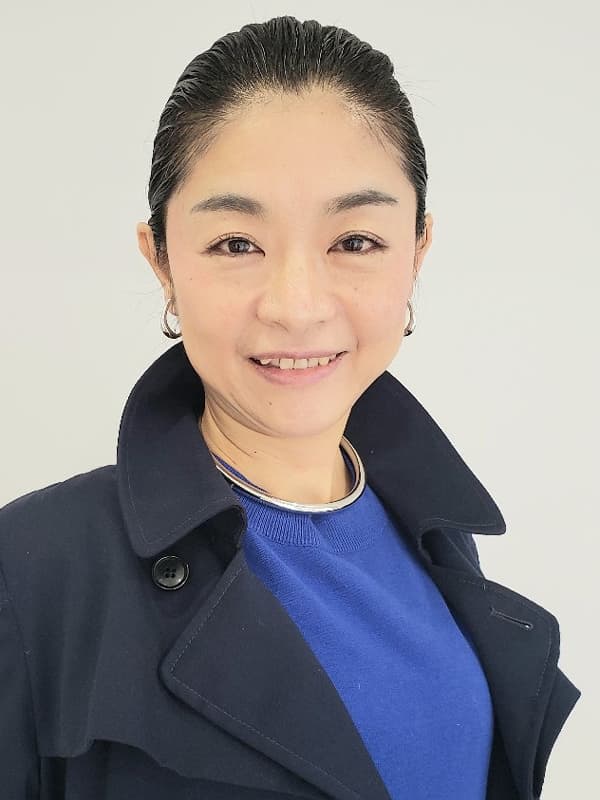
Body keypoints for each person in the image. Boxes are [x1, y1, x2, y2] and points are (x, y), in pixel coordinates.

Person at [0, 15, 581, 800]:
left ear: (417, 251)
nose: (297, 306)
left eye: (355, 241)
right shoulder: (31, 572)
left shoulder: (439, 540)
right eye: (237, 244)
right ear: (161, 261)